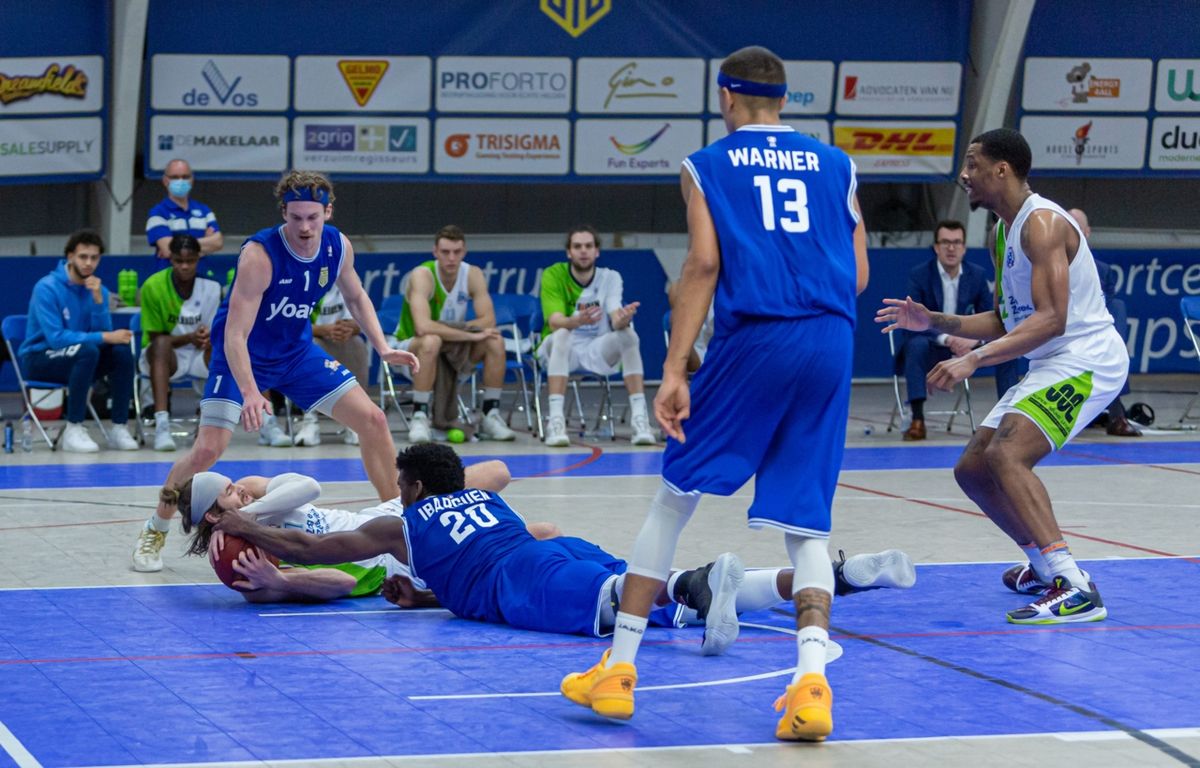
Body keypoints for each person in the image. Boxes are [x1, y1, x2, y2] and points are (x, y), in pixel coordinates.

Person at [560, 46, 869, 742]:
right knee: (807, 523)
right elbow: (856, 275)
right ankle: (811, 686)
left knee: (674, 495)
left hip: (759, 335)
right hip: (832, 338)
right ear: (783, 99)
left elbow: (702, 264)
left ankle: (618, 669)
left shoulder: (707, 164)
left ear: (726, 97)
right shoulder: (838, 164)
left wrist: (675, 369)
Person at [212, 444, 914, 643]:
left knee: (653, 599)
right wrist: (423, 596)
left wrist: (242, 526)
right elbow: (467, 561)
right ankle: (844, 576)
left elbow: (311, 549)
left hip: (521, 578)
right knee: (669, 603)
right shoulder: (483, 496)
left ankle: (697, 582)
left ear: (413, 487)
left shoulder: (404, 523)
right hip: (559, 550)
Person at [877, 128, 1128, 627]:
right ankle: (1044, 568)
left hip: (1087, 358)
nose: (964, 174)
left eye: (973, 164)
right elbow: (1006, 319)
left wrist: (975, 359)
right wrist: (933, 321)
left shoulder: (1042, 225)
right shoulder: (1001, 231)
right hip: (1052, 361)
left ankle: (1075, 587)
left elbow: (1052, 319)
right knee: (972, 469)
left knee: (1007, 454)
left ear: (1002, 169)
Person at [132, 170, 420, 573]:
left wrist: (383, 346)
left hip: (296, 354)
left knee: (373, 419)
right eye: (296, 217)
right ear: (284, 213)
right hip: (242, 356)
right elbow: (234, 335)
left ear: (328, 212)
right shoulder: (260, 255)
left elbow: (356, 297)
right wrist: (252, 391)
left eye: (313, 217)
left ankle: (400, 520)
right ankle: (156, 528)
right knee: (207, 450)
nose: (304, 227)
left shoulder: (337, 246)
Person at [179, 459, 515, 602]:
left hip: (378, 519)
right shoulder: (240, 557)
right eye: (229, 491)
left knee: (496, 472)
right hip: (390, 557)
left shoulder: (253, 493)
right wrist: (281, 582)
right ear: (212, 515)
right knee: (520, 537)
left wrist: (246, 515)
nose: (239, 488)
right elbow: (343, 582)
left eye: (233, 483)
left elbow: (309, 487)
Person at [896, 219, 1020, 440]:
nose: (951, 248)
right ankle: (917, 419)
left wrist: (975, 341)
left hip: (968, 345)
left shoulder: (977, 275)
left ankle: (1008, 418)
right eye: (945, 242)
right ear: (936, 247)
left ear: (964, 247)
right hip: (933, 346)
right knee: (915, 344)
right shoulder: (920, 275)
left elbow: (993, 318)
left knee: (1006, 350)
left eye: (956, 242)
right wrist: (948, 339)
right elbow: (914, 323)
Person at [391, 225, 515, 444]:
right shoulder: (423, 275)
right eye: (445, 252)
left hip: (452, 349)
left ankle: (490, 414)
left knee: (495, 340)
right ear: (435, 252)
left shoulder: (472, 274)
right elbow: (423, 327)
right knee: (431, 341)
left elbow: (488, 320)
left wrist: (461, 331)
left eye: (457, 252)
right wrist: (470, 334)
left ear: (464, 252)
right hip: (410, 349)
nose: (451, 258)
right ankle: (420, 415)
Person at [19, 230, 140, 453]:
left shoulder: (99, 289)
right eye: (83, 257)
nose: (88, 263)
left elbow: (104, 335)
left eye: (94, 258)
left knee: (121, 352)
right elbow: (56, 339)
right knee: (88, 350)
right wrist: (104, 337)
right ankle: (73, 428)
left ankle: (119, 427)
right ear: (70, 256)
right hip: (40, 358)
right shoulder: (47, 287)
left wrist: (98, 302)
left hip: (81, 358)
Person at [538, 226, 656, 447]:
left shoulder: (610, 277)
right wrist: (578, 321)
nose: (583, 251)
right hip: (561, 352)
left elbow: (615, 318)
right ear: (569, 252)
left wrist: (624, 318)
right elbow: (554, 321)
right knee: (562, 334)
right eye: (577, 246)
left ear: (597, 251)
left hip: (595, 349)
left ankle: (640, 420)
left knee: (628, 335)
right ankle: (555, 421)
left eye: (588, 246)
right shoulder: (553, 274)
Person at [138, 233, 222, 451]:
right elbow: (155, 338)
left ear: (198, 259)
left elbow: (214, 331)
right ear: (170, 259)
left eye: (190, 261)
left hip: (199, 354)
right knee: (161, 344)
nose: (184, 266)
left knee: (223, 347)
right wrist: (189, 337)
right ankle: (162, 424)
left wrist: (207, 336)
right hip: (165, 357)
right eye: (179, 261)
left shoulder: (211, 288)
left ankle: (207, 424)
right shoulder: (153, 286)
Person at [1066, 208, 1140, 437]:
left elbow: (1104, 308)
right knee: (1107, 343)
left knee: (1116, 312)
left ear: (1087, 232)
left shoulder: (1103, 270)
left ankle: (1116, 414)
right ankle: (1117, 415)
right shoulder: (1047, 264)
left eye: (1078, 228)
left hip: (1094, 329)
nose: (1074, 233)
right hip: (1061, 328)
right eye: (1069, 228)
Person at [293, 282, 371, 447]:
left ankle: (355, 420)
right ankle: (309, 420)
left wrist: (350, 328)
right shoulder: (299, 282)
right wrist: (323, 330)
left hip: (341, 340)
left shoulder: (346, 280)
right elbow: (290, 326)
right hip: (311, 340)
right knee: (310, 348)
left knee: (357, 344)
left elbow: (361, 320)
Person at [145, 159, 224, 259]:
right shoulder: (158, 212)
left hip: (201, 269)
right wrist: (204, 246)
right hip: (169, 269)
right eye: (175, 177)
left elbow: (218, 242)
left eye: (185, 177)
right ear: (165, 180)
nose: (180, 181)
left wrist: (177, 247)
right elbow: (167, 249)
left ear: (192, 180)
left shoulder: (205, 211)